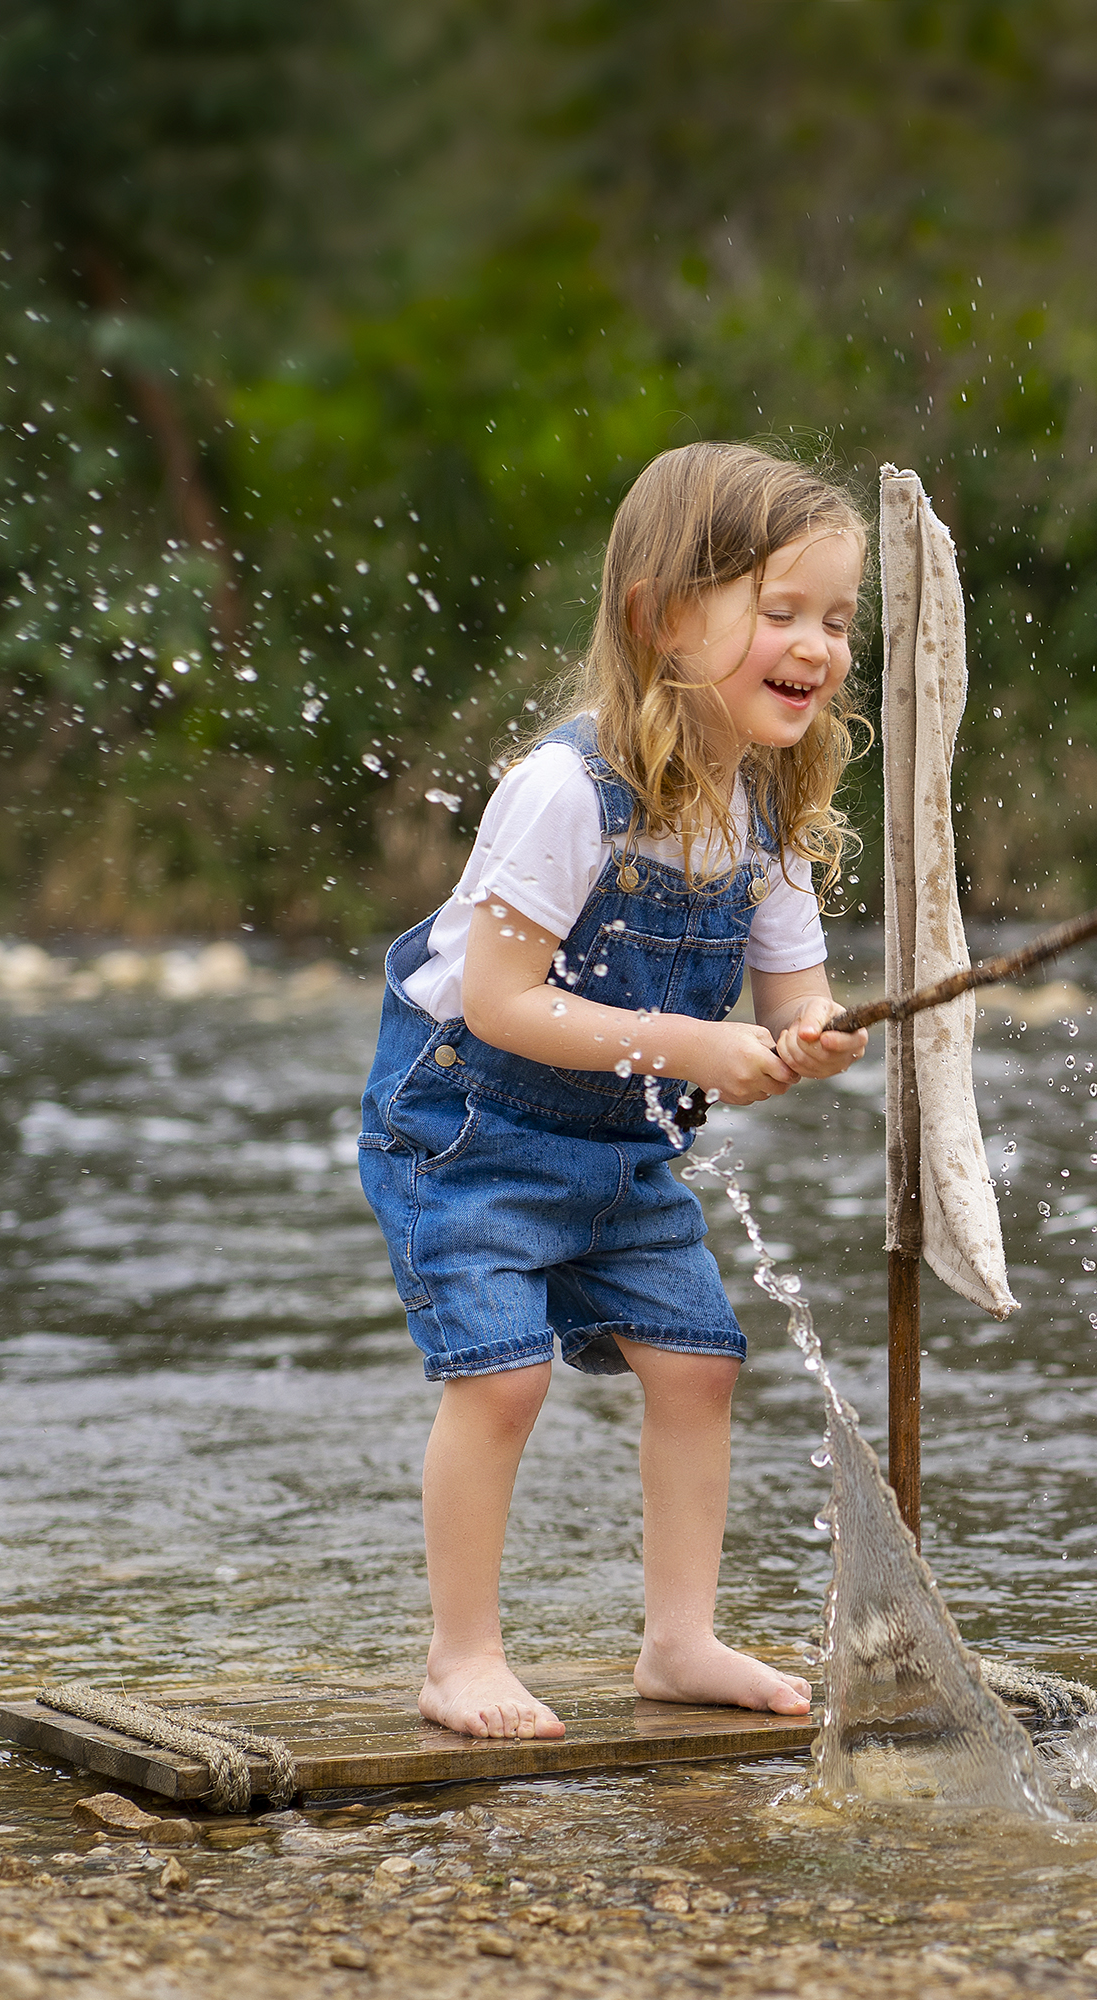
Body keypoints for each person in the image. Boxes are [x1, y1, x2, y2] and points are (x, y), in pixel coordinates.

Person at [357, 441, 871, 1740]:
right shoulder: (567, 792)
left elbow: (793, 1002)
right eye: (781, 611)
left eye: (837, 619)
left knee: (700, 1364)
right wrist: (699, 1052)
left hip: (624, 1148)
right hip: (468, 1129)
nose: (818, 645)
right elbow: (499, 1002)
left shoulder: (766, 817)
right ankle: (459, 1658)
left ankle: (678, 1643)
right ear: (661, 618)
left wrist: (818, 1038)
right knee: (503, 1376)